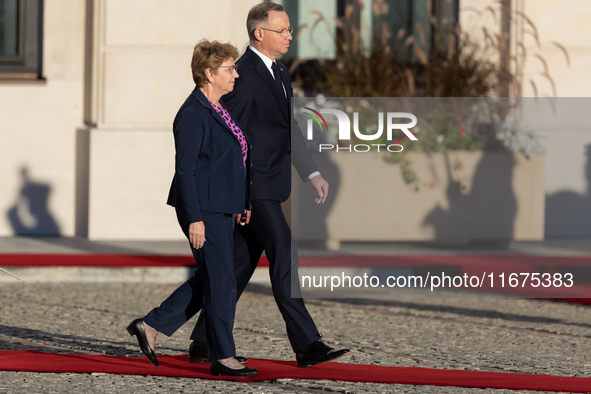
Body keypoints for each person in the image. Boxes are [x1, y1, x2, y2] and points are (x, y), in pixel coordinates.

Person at [187, 2, 351, 368]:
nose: (290, 36)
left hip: (272, 184)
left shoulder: (279, 72)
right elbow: (231, 138)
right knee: (284, 251)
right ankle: (307, 344)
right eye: (283, 30)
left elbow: (288, 128)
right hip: (254, 189)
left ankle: (201, 340)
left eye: (290, 30)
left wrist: (311, 173)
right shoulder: (241, 75)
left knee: (236, 267)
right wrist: (236, 194)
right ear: (259, 33)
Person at [127, 39, 258, 377]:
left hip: (221, 206)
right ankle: (222, 356)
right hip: (202, 208)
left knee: (212, 277)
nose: (236, 75)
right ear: (209, 73)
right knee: (224, 281)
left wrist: (240, 202)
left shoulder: (218, 108)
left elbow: (233, 160)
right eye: (229, 69)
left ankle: (151, 325)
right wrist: (196, 220)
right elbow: (185, 170)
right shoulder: (191, 113)